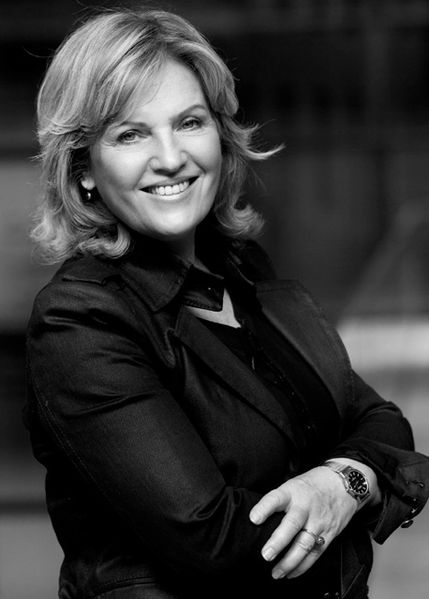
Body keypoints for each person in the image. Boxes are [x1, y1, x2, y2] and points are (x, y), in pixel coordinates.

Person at [25, 8, 429, 599]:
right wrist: (358, 488)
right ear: (83, 169)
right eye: (131, 134)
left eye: (189, 122)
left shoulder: (241, 273)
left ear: (221, 134)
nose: (170, 157)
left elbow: (381, 420)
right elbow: (210, 542)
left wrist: (339, 483)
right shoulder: (81, 321)